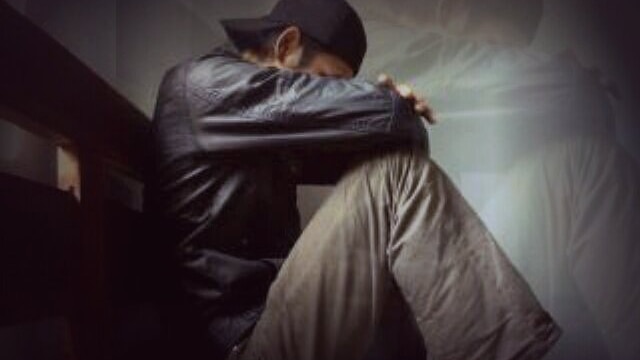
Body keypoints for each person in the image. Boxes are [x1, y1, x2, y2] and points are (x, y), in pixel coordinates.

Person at [149, 0, 560, 359]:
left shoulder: (257, 128)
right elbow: (398, 129)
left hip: (267, 324)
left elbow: (401, 144)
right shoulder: (203, 87)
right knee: (392, 174)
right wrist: (387, 107)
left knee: (391, 171)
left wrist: (386, 114)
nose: (327, 99)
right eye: (327, 84)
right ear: (287, 45)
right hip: (239, 346)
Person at [361, 1, 640, 359]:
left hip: (436, 273)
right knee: (585, 168)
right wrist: (562, 75)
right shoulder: (347, 25)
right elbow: (571, 90)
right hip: (404, 303)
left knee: (577, 166)